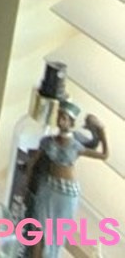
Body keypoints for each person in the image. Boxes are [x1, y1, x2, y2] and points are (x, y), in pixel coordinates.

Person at [28, 103, 110, 258]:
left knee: (58, 233)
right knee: (39, 227)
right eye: (59, 116)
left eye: (64, 118)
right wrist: (27, 182)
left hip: (66, 192)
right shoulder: (47, 141)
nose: (61, 120)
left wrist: (101, 130)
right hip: (48, 186)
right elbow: (33, 162)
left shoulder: (75, 145)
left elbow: (104, 155)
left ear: (71, 122)